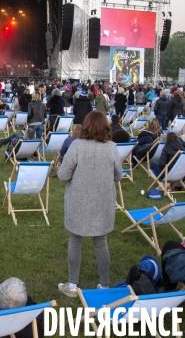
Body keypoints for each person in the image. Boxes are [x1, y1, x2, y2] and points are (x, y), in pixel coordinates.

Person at [57, 111, 122, 296]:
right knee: (100, 243)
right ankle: (104, 284)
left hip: (79, 201)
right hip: (102, 202)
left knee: (75, 240)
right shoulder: (111, 147)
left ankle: (72, 285)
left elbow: (63, 175)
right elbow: (118, 175)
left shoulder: (77, 146)